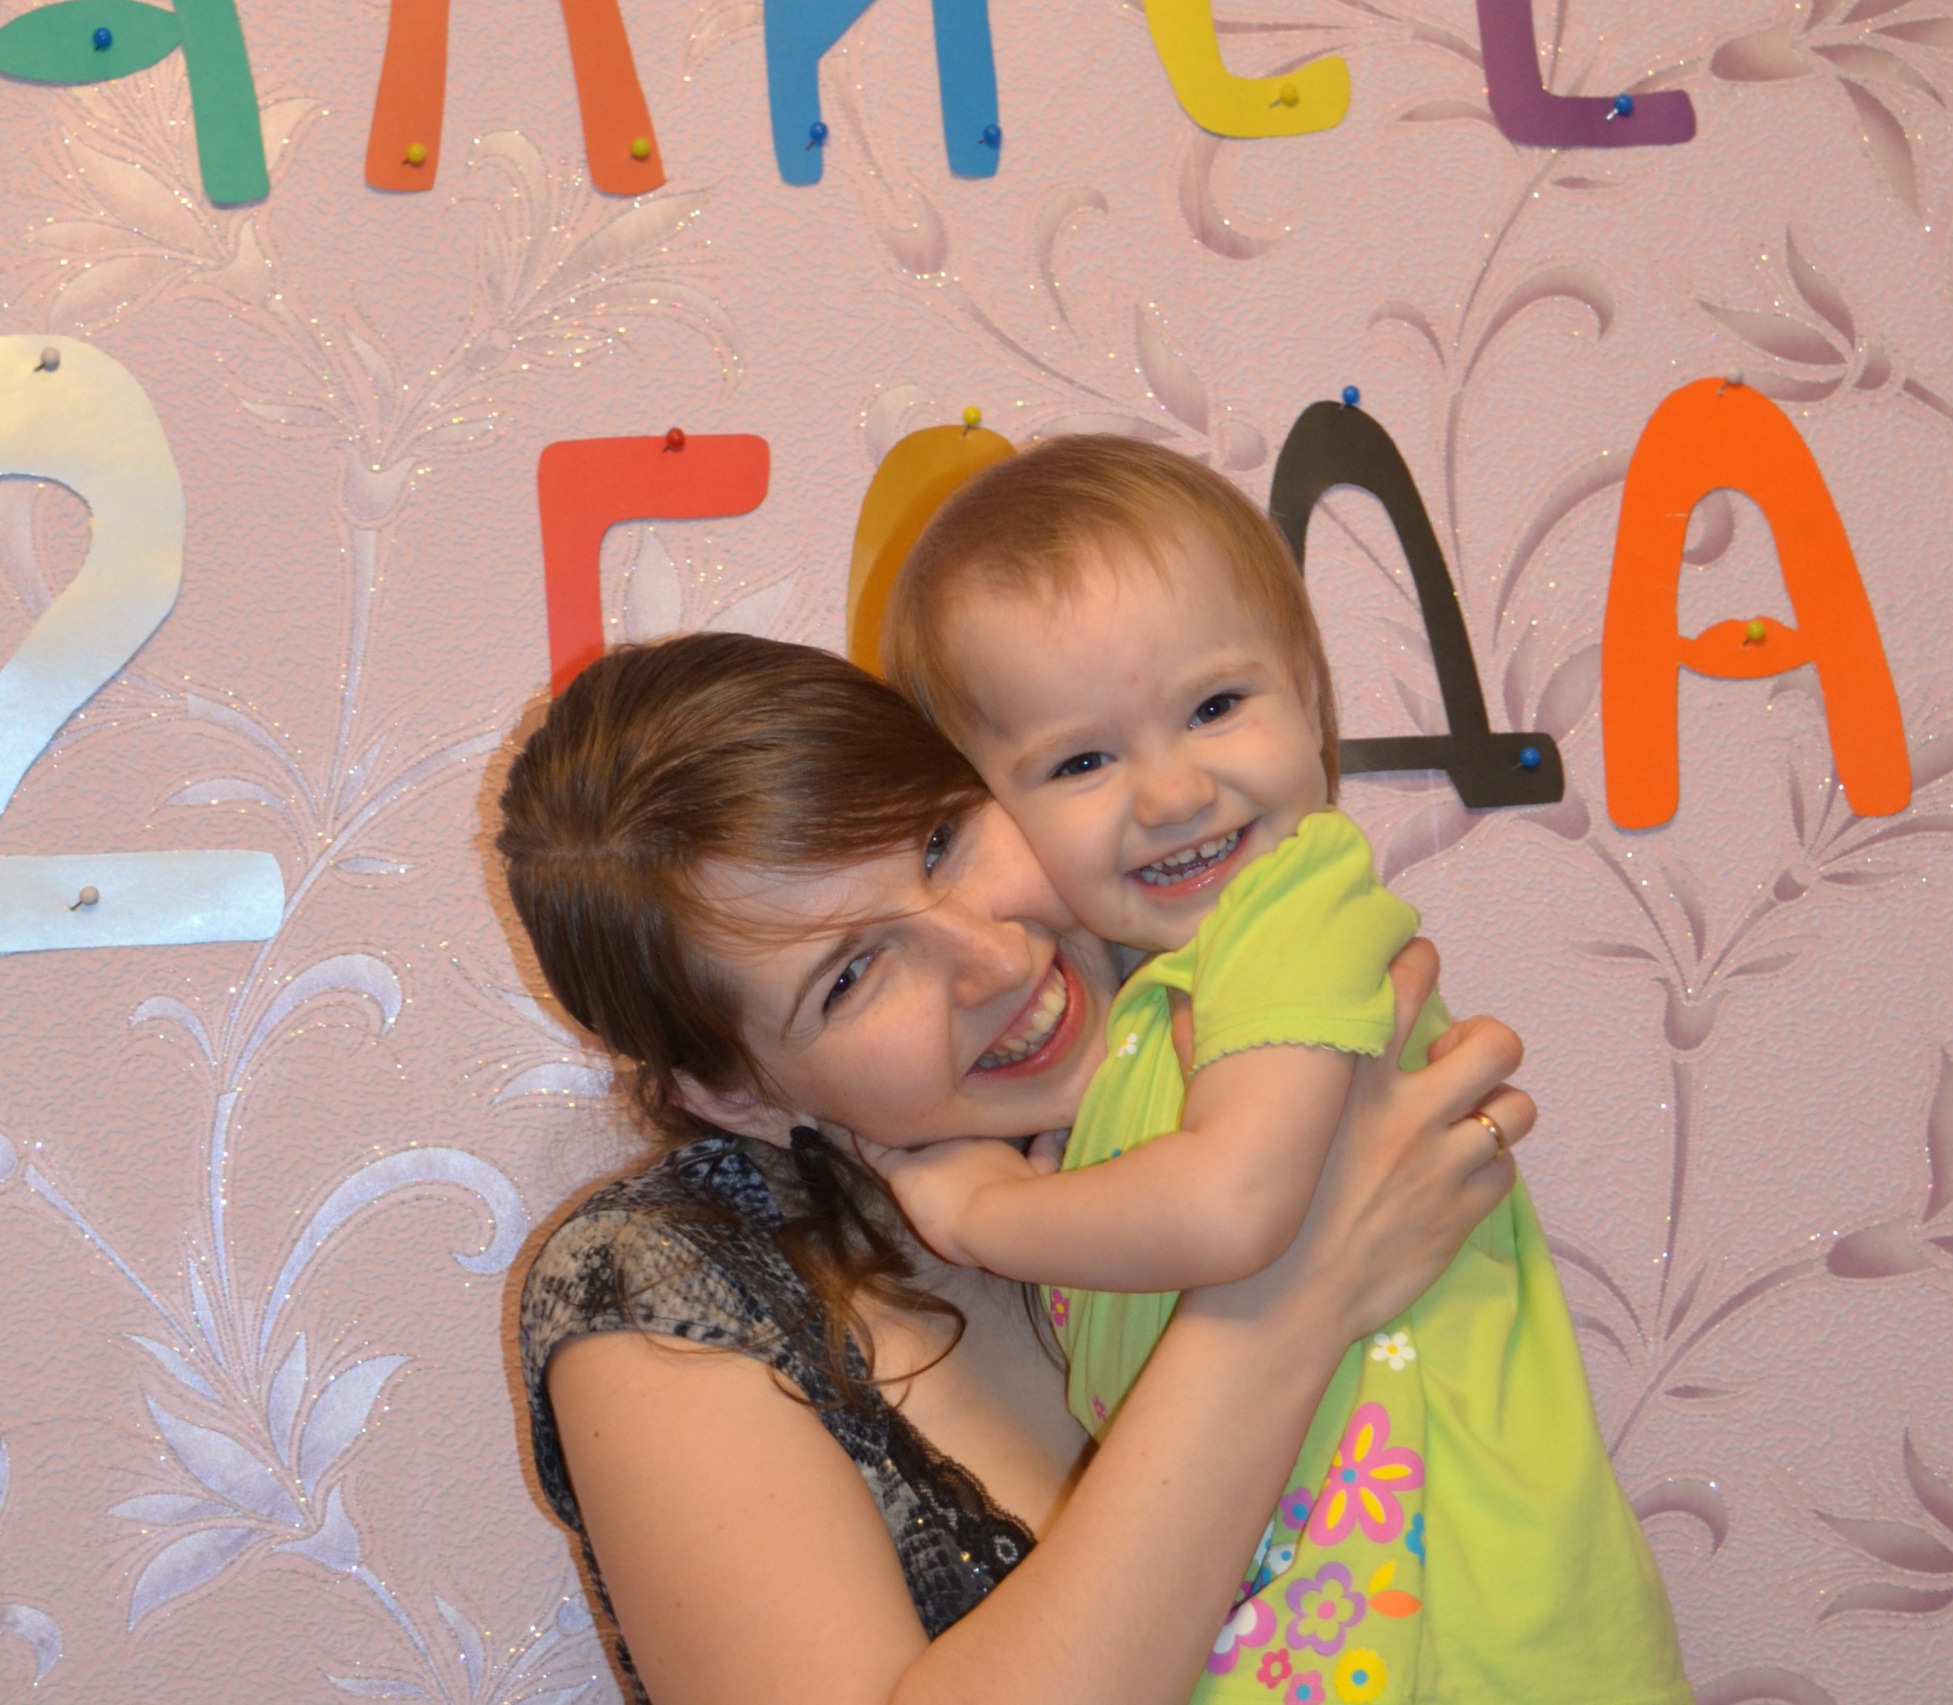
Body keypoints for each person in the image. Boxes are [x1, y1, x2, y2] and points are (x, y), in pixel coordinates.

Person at [497, 631, 1536, 1705]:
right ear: (741, 1096)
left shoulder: (1217, 1041)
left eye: (941, 840)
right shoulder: (664, 1299)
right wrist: (1292, 1291)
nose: (993, 959)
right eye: (851, 976)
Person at [876, 434, 1689, 1702]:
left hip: (1467, 1626)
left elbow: (1231, 1206)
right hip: (1326, 1621)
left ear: (1309, 697)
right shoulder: (1149, 1007)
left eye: (1214, 706)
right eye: (1080, 760)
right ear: (991, 813)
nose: (1170, 790)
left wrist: (984, 1209)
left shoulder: (1295, 913)